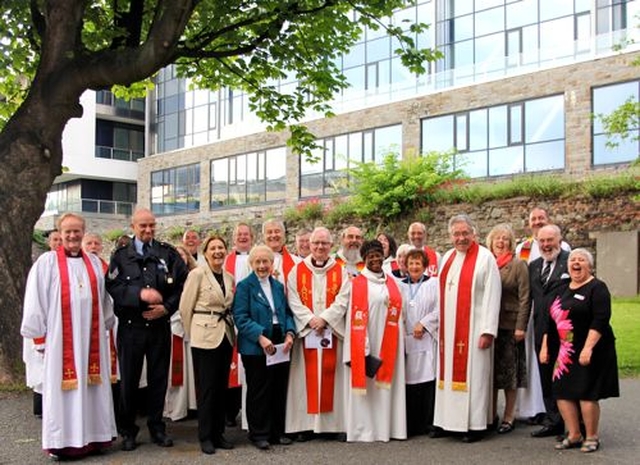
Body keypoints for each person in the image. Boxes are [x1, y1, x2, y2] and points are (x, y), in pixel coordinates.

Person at [21, 213, 116, 460]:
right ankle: (62, 442)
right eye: (68, 232)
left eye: (77, 231)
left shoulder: (94, 264)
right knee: (63, 393)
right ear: (60, 234)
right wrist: (39, 338)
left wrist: (106, 323)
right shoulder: (47, 263)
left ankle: (94, 438)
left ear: (84, 232)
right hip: (60, 342)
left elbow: (105, 299)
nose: (73, 236)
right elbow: (35, 301)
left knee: (92, 389)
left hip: (91, 341)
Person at [106, 208, 188, 451]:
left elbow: (182, 285)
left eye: (152, 225)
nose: (148, 230)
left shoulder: (167, 253)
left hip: (159, 327)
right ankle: (128, 430)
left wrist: (167, 307)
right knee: (129, 381)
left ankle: (157, 427)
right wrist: (139, 294)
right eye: (143, 226)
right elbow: (113, 285)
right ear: (133, 226)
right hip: (131, 328)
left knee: (158, 380)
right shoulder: (121, 256)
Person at [432, 214, 501, 443]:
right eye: (456, 234)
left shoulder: (485, 258)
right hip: (448, 332)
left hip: (474, 331)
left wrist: (488, 330)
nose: (461, 238)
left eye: (465, 233)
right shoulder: (448, 257)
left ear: (474, 234)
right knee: (446, 377)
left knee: (476, 378)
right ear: (450, 236)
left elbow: (493, 295)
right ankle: (447, 421)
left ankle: (475, 425)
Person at [543, 249, 619, 453]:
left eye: (581, 260)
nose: (576, 263)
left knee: (586, 392)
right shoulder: (562, 288)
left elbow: (601, 320)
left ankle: (592, 437)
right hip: (565, 350)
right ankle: (574, 434)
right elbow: (551, 320)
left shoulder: (597, 288)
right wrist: (545, 346)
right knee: (561, 391)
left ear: (590, 265)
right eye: (573, 260)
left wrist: (587, 348)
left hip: (591, 348)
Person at [285, 227, 350, 441]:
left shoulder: (340, 271)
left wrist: (325, 319)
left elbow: (343, 299)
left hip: (331, 332)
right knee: (304, 382)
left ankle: (336, 425)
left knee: (335, 380)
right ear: (309, 245)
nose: (320, 247)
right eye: (316, 243)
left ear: (331, 246)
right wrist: (311, 320)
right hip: (308, 334)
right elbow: (293, 299)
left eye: (324, 243)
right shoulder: (297, 271)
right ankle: (305, 426)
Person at [233, 245, 296, 450]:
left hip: (279, 340)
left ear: (272, 263)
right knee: (259, 389)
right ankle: (258, 433)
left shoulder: (277, 286)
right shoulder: (244, 286)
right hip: (256, 343)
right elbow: (240, 317)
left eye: (265, 261)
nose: (262, 265)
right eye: (257, 262)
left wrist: (289, 333)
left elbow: (286, 313)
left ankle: (277, 432)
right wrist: (260, 337)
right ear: (251, 264)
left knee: (278, 388)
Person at [343, 240, 406, 442]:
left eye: (378, 255)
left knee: (386, 388)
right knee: (369, 389)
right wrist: (363, 346)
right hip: (367, 340)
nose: (376, 259)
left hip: (389, 342)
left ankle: (388, 428)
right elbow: (355, 319)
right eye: (371, 256)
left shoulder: (392, 282)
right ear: (365, 259)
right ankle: (366, 430)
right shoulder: (358, 284)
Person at [180, 235, 236, 454]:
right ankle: (205, 436)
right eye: (213, 248)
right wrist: (193, 331)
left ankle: (218, 433)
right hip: (204, 336)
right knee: (207, 389)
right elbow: (185, 307)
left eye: (221, 247)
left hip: (225, 335)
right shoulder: (197, 274)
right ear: (205, 252)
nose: (217, 252)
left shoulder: (229, 277)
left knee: (221, 388)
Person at [515, 207, 570, 424]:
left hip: (560, 320)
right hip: (534, 318)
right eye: (533, 219)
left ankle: (564, 416)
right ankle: (536, 409)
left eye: (541, 218)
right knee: (537, 362)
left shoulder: (564, 250)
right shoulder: (525, 249)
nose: (537, 221)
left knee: (559, 365)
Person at [486, 224, 530, 434]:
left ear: (511, 243)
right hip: (489, 327)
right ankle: (491, 414)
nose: (501, 243)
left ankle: (509, 416)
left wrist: (521, 327)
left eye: (504, 239)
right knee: (491, 374)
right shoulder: (487, 263)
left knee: (509, 376)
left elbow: (525, 298)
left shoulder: (518, 265)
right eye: (497, 239)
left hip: (510, 326)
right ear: (491, 243)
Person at [529, 224, 570, 439]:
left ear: (559, 240)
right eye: (542, 241)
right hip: (540, 329)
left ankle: (573, 424)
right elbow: (529, 300)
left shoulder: (570, 262)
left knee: (566, 378)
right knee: (546, 377)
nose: (546, 245)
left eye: (550, 240)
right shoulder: (534, 266)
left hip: (565, 333)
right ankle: (553, 421)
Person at [23, 230, 62, 419]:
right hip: (44, 326)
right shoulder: (44, 263)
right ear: (48, 242)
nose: (58, 243)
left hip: (62, 328)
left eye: (60, 240)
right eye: (55, 239)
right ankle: (41, 408)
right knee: (41, 370)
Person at [400, 248, 439, 437]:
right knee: (410, 383)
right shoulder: (400, 286)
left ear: (424, 266)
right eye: (411, 263)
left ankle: (429, 423)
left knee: (427, 381)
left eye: (418, 263)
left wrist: (423, 323)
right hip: (407, 338)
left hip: (426, 337)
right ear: (406, 266)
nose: (414, 266)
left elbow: (440, 309)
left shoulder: (434, 284)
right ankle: (412, 424)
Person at [223, 222, 254, 427]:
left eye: (246, 234)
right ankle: (230, 411)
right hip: (232, 320)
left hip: (253, 319)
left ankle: (249, 411)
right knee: (231, 366)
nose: (242, 237)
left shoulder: (258, 257)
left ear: (252, 237)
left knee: (250, 366)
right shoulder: (226, 261)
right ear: (233, 239)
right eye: (239, 234)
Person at [163, 245, 197, 422]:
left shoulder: (196, 274)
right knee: (176, 370)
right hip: (173, 325)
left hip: (193, 326)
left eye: (183, 254)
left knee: (193, 369)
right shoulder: (166, 276)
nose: (180, 257)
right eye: (176, 255)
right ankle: (176, 408)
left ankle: (193, 406)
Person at [262, 219, 298, 285]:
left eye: (277, 231)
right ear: (263, 237)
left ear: (284, 234)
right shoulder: (255, 262)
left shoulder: (297, 262)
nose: (273, 235)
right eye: (269, 232)